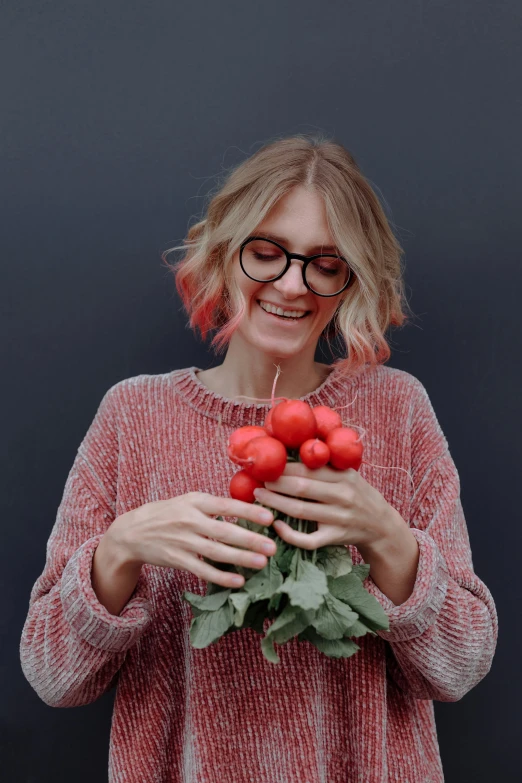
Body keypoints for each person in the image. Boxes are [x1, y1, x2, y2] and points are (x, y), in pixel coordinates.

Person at [20, 135, 498, 783]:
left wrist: (387, 536)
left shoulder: (396, 408)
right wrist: (119, 549)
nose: (293, 284)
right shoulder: (133, 415)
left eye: (325, 264)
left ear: (350, 279)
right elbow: (53, 677)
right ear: (223, 251)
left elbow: (462, 666)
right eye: (267, 253)